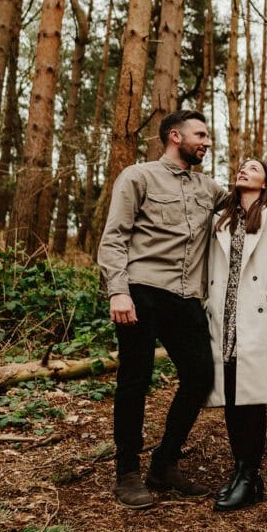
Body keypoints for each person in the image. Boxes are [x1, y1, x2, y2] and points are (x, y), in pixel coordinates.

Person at [98, 109, 228, 509]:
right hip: (141, 290)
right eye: (200, 135)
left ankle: (164, 464)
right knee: (135, 379)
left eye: (207, 136)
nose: (207, 142)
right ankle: (127, 472)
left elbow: (245, 204)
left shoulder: (209, 188)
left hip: (186, 296)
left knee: (201, 375)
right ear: (175, 136)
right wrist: (118, 291)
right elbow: (114, 236)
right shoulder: (138, 177)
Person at [205, 159, 267, 511]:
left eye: (253, 168)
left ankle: (249, 476)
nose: (243, 170)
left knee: (252, 400)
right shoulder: (221, 217)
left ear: (265, 182)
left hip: (259, 319)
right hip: (225, 316)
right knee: (232, 398)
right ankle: (242, 473)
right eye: (241, 167)